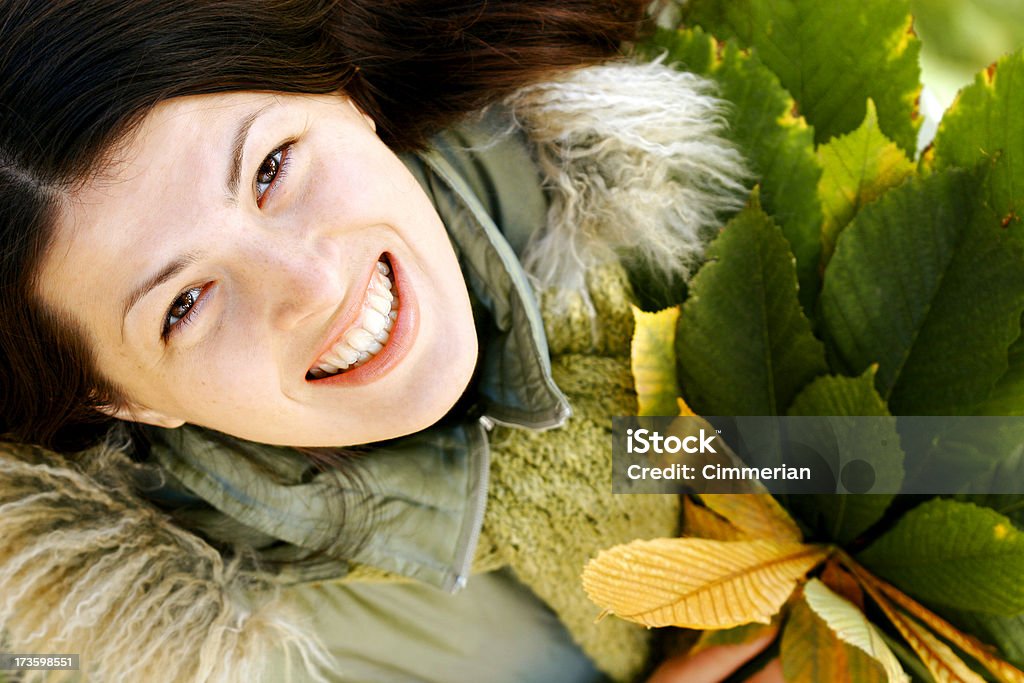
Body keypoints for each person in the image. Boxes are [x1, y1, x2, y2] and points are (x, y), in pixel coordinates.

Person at [0, 1, 775, 681]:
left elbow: (885, 457)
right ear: (122, 397)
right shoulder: (169, 654)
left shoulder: (648, 117)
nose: (309, 283)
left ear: (341, 90)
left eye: (271, 168)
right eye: (186, 303)